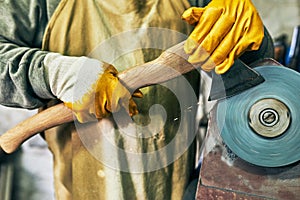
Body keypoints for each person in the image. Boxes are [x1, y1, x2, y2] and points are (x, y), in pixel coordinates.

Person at [0, 0, 273, 199]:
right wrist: (56, 73)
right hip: (80, 186)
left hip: (172, 186)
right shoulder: (36, 4)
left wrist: (251, 41)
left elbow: (253, 70)